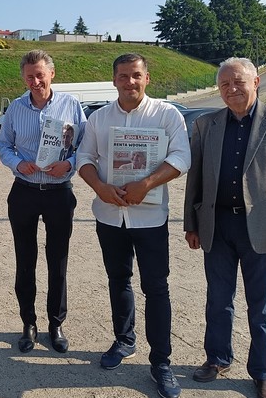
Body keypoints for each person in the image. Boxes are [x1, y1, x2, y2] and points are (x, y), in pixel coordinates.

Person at [183, 57, 266, 398]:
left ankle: (264, 372)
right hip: (217, 225)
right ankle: (217, 358)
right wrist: (191, 224)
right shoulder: (206, 124)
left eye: (238, 82)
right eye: (224, 84)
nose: (231, 89)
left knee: (262, 305)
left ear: (256, 82)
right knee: (218, 300)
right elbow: (196, 179)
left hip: (263, 227)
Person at [76, 54, 190, 398]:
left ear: (147, 78)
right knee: (118, 280)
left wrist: (147, 184)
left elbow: (182, 157)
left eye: (136, 75)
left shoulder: (167, 114)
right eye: (123, 76)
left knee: (156, 287)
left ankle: (161, 362)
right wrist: (100, 187)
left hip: (150, 217)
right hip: (109, 215)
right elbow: (84, 158)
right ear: (114, 80)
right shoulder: (99, 118)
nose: (130, 82)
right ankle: (124, 340)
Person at [0, 49, 86, 354]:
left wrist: (70, 163)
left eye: (40, 75)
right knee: (25, 260)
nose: (35, 81)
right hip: (25, 191)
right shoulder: (16, 108)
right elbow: (4, 145)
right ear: (23, 78)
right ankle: (28, 323)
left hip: (59, 191)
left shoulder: (71, 105)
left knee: (58, 260)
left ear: (52, 74)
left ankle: (56, 323)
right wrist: (17, 164)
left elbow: (86, 144)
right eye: (29, 76)